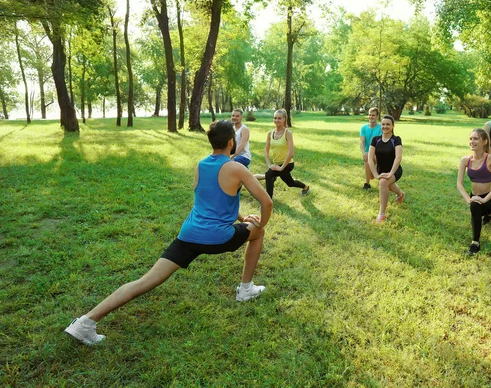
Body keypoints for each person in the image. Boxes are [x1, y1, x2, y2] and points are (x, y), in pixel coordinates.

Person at [64, 120, 273, 345]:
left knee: (144, 281)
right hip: (218, 237)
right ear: (232, 142)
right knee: (258, 234)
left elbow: (212, 201)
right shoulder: (237, 168)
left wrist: (242, 218)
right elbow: (267, 203)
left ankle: (85, 322)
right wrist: (259, 224)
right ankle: (245, 289)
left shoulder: (201, 165)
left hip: (189, 236)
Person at [457, 128, 491, 255]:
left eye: (476, 138)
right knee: (475, 207)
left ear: (484, 141)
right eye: (470, 138)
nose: (472, 141)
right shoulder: (465, 160)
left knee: (477, 209)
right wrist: (470, 199)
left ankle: (475, 242)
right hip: (475, 198)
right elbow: (459, 184)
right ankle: (476, 241)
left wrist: (483, 199)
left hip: (490, 199)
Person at [262, 109, 310, 198]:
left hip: (287, 164)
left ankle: (268, 200)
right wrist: (269, 164)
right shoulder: (270, 133)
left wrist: (281, 168)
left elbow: (291, 153)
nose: (276, 120)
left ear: (284, 119)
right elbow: (266, 150)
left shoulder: (288, 133)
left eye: (279, 118)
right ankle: (305, 187)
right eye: (275, 118)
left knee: (270, 175)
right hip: (277, 164)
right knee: (289, 182)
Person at [368, 114, 405, 223]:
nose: (385, 126)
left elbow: (398, 158)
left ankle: (382, 214)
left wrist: (390, 174)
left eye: (388, 124)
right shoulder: (376, 140)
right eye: (383, 124)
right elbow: (370, 158)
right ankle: (400, 194)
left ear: (393, 126)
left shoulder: (396, 139)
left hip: (395, 170)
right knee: (388, 184)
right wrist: (375, 174)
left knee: (384, 182)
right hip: (381, 171)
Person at [359, 107, 382, 189]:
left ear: (377, 116)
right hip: (368, 153)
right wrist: (364, 153)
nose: (371, 117)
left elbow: (380, 144)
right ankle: (367, 183)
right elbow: (361, 142)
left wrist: (371, 153)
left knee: (369, 158)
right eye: (369, 115)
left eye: (373, 115)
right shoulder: (363, 128)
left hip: (378, 153)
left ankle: (372, 171)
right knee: (366, 158)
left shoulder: (381, 128)